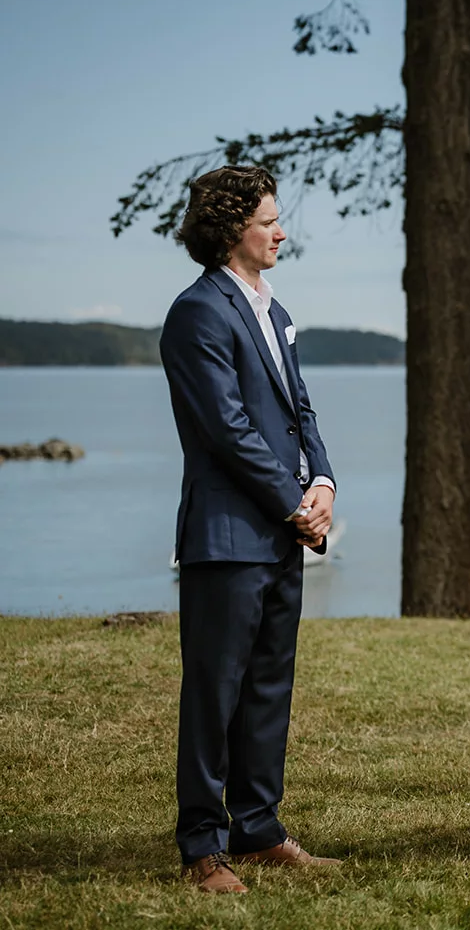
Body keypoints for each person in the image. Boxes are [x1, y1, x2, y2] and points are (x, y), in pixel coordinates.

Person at [159, 165, 340, 894]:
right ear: (232, 227)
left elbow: (301, 409)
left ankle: (259, 827)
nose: (281, 230)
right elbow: (228, 429)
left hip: (277, 530)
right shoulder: (198, 312)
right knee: (216, 689)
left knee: (269, 684)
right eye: (269, 219)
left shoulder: (272, 307)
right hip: (229, 532)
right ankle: (203, 843)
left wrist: (322, 480)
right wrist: (293, 504)